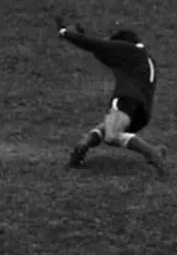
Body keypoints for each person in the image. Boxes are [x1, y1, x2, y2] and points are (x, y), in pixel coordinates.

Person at [54, 17, 166, 177]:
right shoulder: (143, 59)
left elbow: (97, 45)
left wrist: (66, 34)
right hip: (142, 111)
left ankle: (151, 152)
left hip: (126, 100)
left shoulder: (128, 50)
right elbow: (102, 53)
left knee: (112, 135)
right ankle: (83, 147)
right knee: (109, 125)